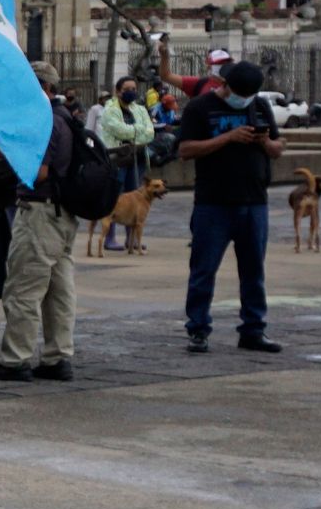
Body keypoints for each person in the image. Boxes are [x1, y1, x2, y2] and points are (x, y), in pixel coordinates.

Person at [0, 64, 85, 381]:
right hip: (62, 213)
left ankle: (15, 359)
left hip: (39, 212)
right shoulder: (65, 117)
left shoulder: (45, 120)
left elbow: (39, 172)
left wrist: (6, 154)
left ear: (41, 86)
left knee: (23, 288)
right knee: (59, 291)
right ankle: (57, 356)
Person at [178, 56, 285, 355]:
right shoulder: (200, 108)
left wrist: (264, 143)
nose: (244, 100)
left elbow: (277, 148)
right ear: (224, 85)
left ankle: (253, 329)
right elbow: (185, 149)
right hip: (213, 202)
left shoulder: (260, 106)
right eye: (239, 93)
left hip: (254, 201)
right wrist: (228, 138)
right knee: (203, 270)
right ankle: (198, 329)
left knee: (254, 270)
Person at [94, 79, 156, 248]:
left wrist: (134, 133)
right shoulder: (109, 110)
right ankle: (109, 238)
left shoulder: (140, 109)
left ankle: (132, 239)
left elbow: (150, 133)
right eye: (127, 89)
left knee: (135, 198)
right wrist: (138, 130)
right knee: (115, 198)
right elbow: (118, 130)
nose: (132, 91)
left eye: (134, 88)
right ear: (118, 91)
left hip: (138, 159)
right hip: (118, 159)